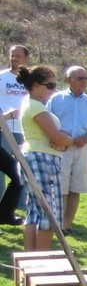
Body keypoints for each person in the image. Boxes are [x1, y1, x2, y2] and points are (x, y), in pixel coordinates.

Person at [17, 65, 73, 251]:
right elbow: (56, 136)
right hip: (42, 159)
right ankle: (42, 260)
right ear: (35, 85)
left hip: (37, 157)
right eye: (49, 85)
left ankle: (31, 259)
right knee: (49, 214)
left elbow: (57, 138)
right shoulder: (35, 106)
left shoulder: (33, 104)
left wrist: (63, 142)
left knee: (35, 212)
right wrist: (68, 141)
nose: (53, 90)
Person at [46, 65, 87, 236]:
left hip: (81, 149)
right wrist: (58, 140)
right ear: (68, 80)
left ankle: (67, 226)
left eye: (86, 79)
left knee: (76, 188)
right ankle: (58, 225)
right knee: (61, 188)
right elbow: (46, 123)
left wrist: (86, 139)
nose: (84, 82)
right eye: (80, 78)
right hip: (61, 148)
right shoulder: (56, 100)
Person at [0, 44, 30, 225]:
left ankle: (14, 208)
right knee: (7, 170)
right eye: (12, 55)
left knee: (22, 170)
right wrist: (8, 115)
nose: (14, 58)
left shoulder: (31, 79)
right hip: (4, 129)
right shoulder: (2, 77)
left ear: (26, 58)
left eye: (18, 55)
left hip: (25, 129)